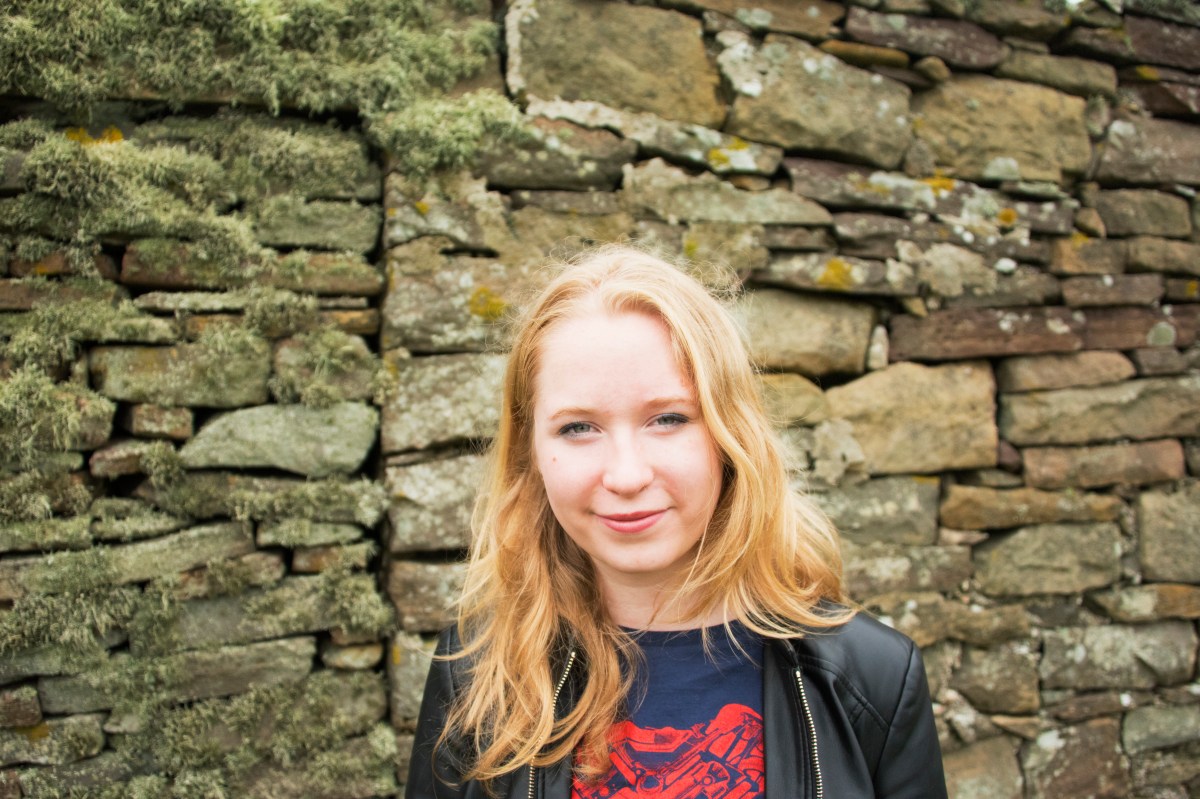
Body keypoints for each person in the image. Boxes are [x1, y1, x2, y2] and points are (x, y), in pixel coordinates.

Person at [407, 245, 947, 799]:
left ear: (730, 433)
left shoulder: (872, 678)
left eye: (668, 419)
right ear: (531, 452)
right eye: (578, 428)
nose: (626, 475)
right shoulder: (476, 675)